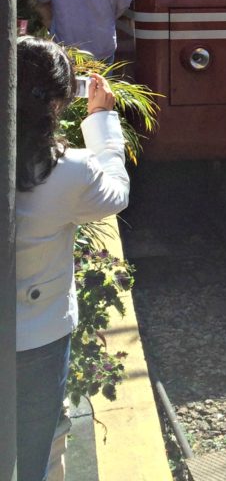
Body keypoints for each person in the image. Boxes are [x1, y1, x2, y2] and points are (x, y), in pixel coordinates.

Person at [15, 37, 130, 481]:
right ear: (60, 102)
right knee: (34, 447)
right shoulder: (68, 173)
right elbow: (115, 194)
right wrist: (102, 120)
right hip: (38, 339)